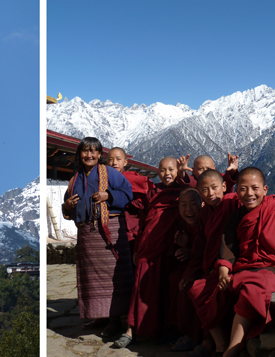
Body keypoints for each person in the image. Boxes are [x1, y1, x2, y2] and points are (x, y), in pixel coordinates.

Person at [208, 167, 275, 357]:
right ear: (236, 192)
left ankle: (231, 351)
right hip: (246, 267)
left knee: (252, 288)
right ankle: (210, 342)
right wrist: (223, 269)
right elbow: (227, 245)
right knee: (212, 289)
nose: (249, 194)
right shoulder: (236, 217)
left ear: (265, 189)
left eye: (255, 188)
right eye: (243, 189)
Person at [62, 137, 134, 337]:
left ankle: (114, 321)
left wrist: (108, 196)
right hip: (87, 234)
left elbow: (128, 193)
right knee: (91, 278)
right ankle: (99, 316)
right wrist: (67, 206)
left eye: (93, 151)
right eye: (85, 151)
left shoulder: (109, 173)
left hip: (108, 229)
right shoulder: (74, 179)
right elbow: (66, 210)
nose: (89, 155)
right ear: (79, 154)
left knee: (112, 277)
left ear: (99, 154)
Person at [115, 157, 188, 348]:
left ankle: (157, 330)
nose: (167, 174)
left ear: (177, 170)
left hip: (169, 249)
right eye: (163, 170)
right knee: (140, 287)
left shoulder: (183, 192)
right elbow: (145, 220)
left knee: (162, 290)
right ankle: (130, 330)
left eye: (171, 169)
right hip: (148, 246)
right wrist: (138, 247)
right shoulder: (153, 192)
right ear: (158, 172)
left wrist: (183, 174)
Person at [183, 169, 241, 357]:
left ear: (224, 187)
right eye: (205, 190)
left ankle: (217, 344)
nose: (211, 194)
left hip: (237, 263)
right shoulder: (205, 214)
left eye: (215, 188)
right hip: (213, 267)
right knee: (194, 288)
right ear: (199, 192)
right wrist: (189, 273)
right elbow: (199, 247)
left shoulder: (233, 202)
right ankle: (219, 342)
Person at [167, 188, 204, 352]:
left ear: (202, 204)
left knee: (188, 286)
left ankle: (193, 336)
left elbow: (212, 250)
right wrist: (184, 248)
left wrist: (189, 250)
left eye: (193, 204)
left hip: (207, 269)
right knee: (174, 278)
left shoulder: (208, 222)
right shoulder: (182, 225)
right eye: (183, 205)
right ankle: (178, 330)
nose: (188, 210)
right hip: (191, 265)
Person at [107, 148, 154, 248]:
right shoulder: (102, 180)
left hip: (131, 228)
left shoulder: (131, 178)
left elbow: (144, 200)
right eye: (111, 159)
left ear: (125, 162)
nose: (114, 162)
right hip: (109, 226)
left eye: (118, 159)